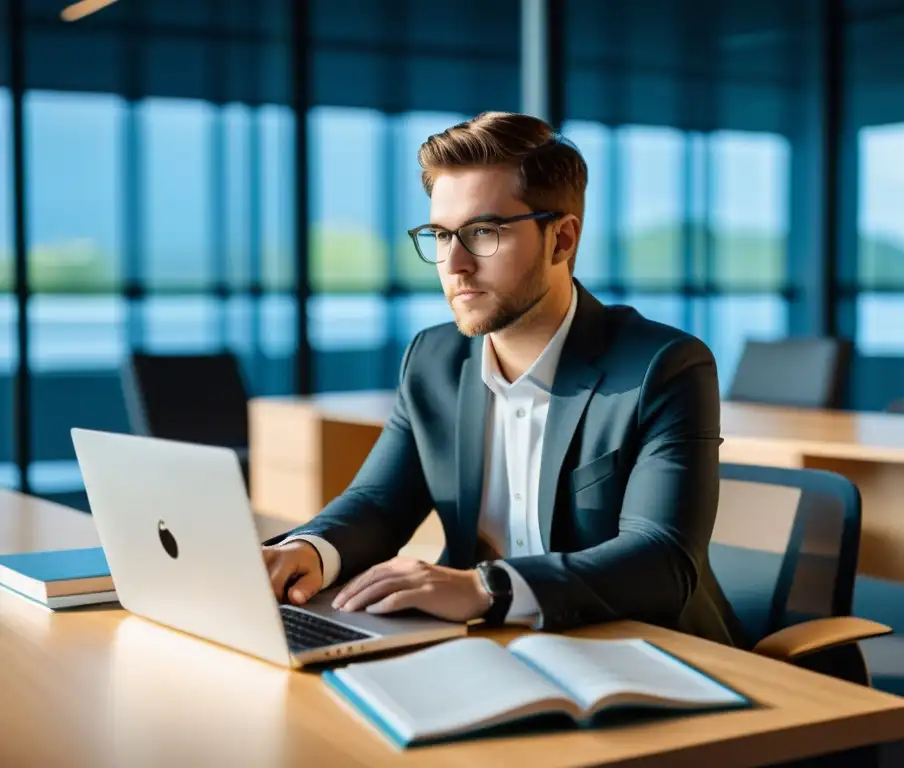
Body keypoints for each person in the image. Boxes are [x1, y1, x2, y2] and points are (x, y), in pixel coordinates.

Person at [262, 111, 744, 646]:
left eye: (483, 232)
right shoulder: (433, 358)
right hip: (483, 645)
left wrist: (487, 589)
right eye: (441, 236)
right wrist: (307, 551)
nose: (455, 264)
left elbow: (661, 558)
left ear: (562, 240)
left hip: (643, 650)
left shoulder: (665, 365)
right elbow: (378, 503)